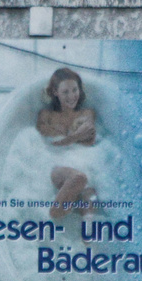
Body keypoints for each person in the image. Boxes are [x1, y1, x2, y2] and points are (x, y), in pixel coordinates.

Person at [36, 67, 99, 219]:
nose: (72, 96)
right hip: (56, 164)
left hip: (84, 163)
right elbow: (49, 144)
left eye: (74, 90)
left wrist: (71, 138)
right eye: (65, 92)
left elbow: (90, 135)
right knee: (79, 178)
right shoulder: (47, 116)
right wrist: (75, 137)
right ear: (55, 92)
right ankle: (55, 213)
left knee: (89, 192)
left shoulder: (87, 113)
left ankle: (88, 237)